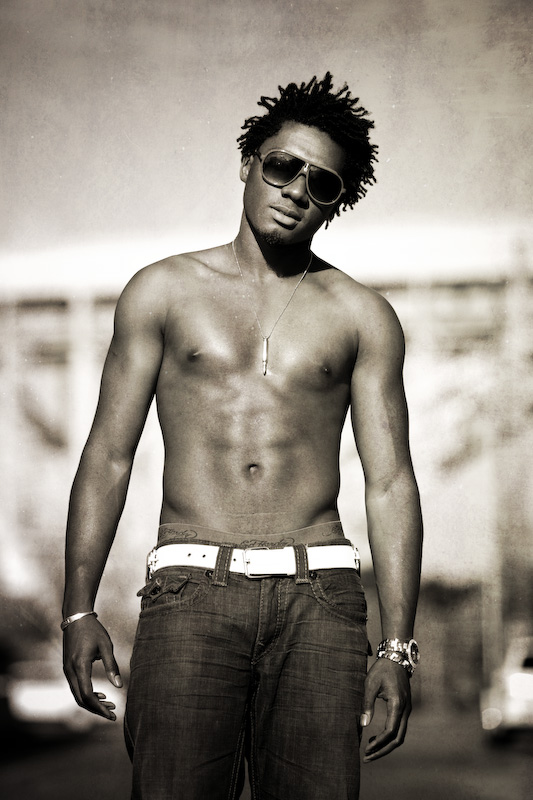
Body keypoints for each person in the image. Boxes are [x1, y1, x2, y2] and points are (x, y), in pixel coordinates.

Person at [62, 73, 423, 800]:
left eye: (321, 183)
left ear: (337, 202)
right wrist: (77, 607)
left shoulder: (362, 315)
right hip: (190, 588)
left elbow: (390, 483)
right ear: (248, 163)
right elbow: (108, 454)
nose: (295, 190)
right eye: (282, 166)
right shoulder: (162, 291)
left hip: (321, 597)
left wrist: (396, 647)